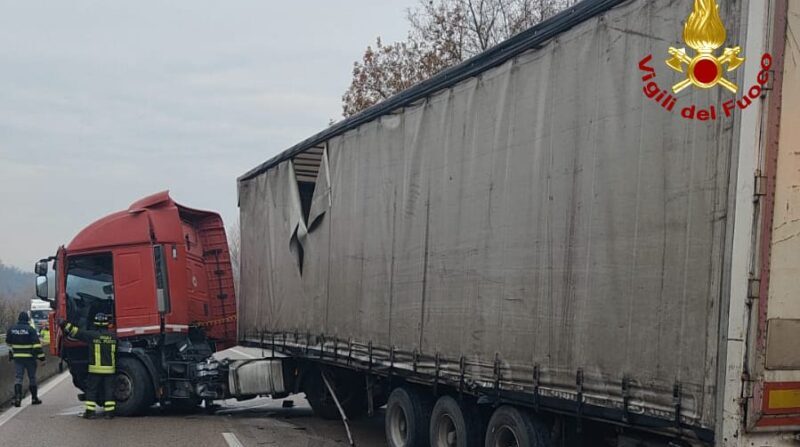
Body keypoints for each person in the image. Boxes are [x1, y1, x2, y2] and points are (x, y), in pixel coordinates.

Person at [58, 313, 117, 419]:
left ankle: (90, 412)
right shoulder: (113, 337)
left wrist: (64, 324)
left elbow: (77, 332)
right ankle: (109, 413)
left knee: (91, 390)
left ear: (96, 324)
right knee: (109, 391)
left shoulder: (92, 335)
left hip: (95, 370)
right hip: (110, 370)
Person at [6, 311, 45, 407]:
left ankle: (18, 398)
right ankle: (34, 398)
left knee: (18, 378)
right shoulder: (31, 329)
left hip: (18, 358)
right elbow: (36, 346)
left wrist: (14, 351)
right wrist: (42, 358)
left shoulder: (12, 329)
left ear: (19, 319)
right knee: (32, 378)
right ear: (27, 319)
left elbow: (8, 342)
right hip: (30, 358)